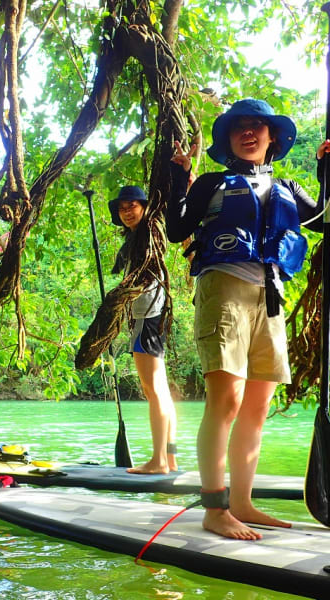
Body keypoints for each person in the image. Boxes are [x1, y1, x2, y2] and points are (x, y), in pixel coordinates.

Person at [167, 98, 326, 540]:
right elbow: (176, 230)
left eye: (259, 126)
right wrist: (179, 178)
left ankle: (242, 502)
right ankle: (214, 506)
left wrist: (325, 171)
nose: (249, 132)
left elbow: (323, 220)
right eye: (240, 127)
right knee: (227, 400)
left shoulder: (289, 188)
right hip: (225, 290)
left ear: (272, 137)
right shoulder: (213, 183)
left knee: (257, 405)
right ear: (230, 139)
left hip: (270, 296)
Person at [108, 185, 178, 474]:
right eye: (122, 208)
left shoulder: (149, 234)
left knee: (154, 391)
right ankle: (170, 459)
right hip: (151, 316)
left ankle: (159, 460)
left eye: (132, 206)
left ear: (144, 206)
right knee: (161, 391)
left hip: (148, 315)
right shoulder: (139, 239)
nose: (127, 212)